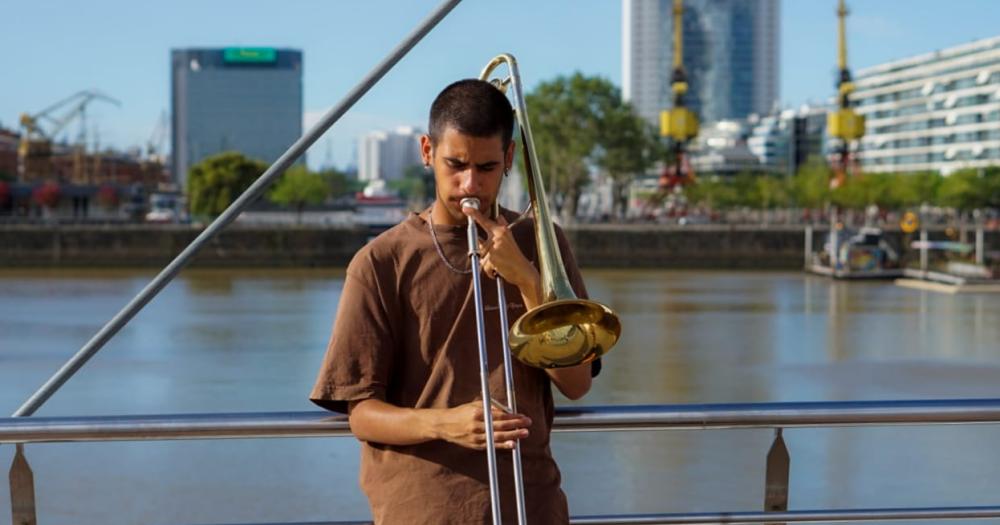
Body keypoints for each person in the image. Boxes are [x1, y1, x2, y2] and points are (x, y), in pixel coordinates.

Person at [310, 78, 597, 524]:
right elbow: (362, 413)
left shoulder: (543, 244)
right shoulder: (381, 261)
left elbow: (577, 384)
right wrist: (446, 423)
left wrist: (526, 277)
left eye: (486, 167)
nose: (470, 184)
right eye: (455, 164)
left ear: (509, 159)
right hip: (424, 509)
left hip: (532, 504)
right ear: (427, 152)